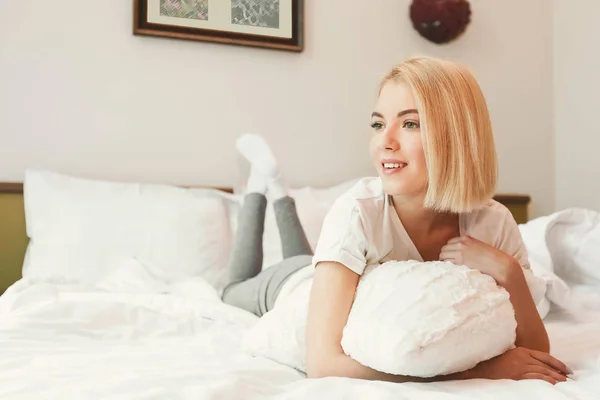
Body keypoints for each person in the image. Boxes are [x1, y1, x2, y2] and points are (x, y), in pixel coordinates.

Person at [223, 56, 571, 385]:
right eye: (378, 124)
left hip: (319, 268)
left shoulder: (493, 222)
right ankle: (262, 188)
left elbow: (536, 352)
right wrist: (476, 373)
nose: (384, 142)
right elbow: (322, 364)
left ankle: (278, 190)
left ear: (456, 135)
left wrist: (510, 272)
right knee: (232, 288)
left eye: (409, 124)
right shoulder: (357, 211)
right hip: (293, 285)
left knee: (300, 254)